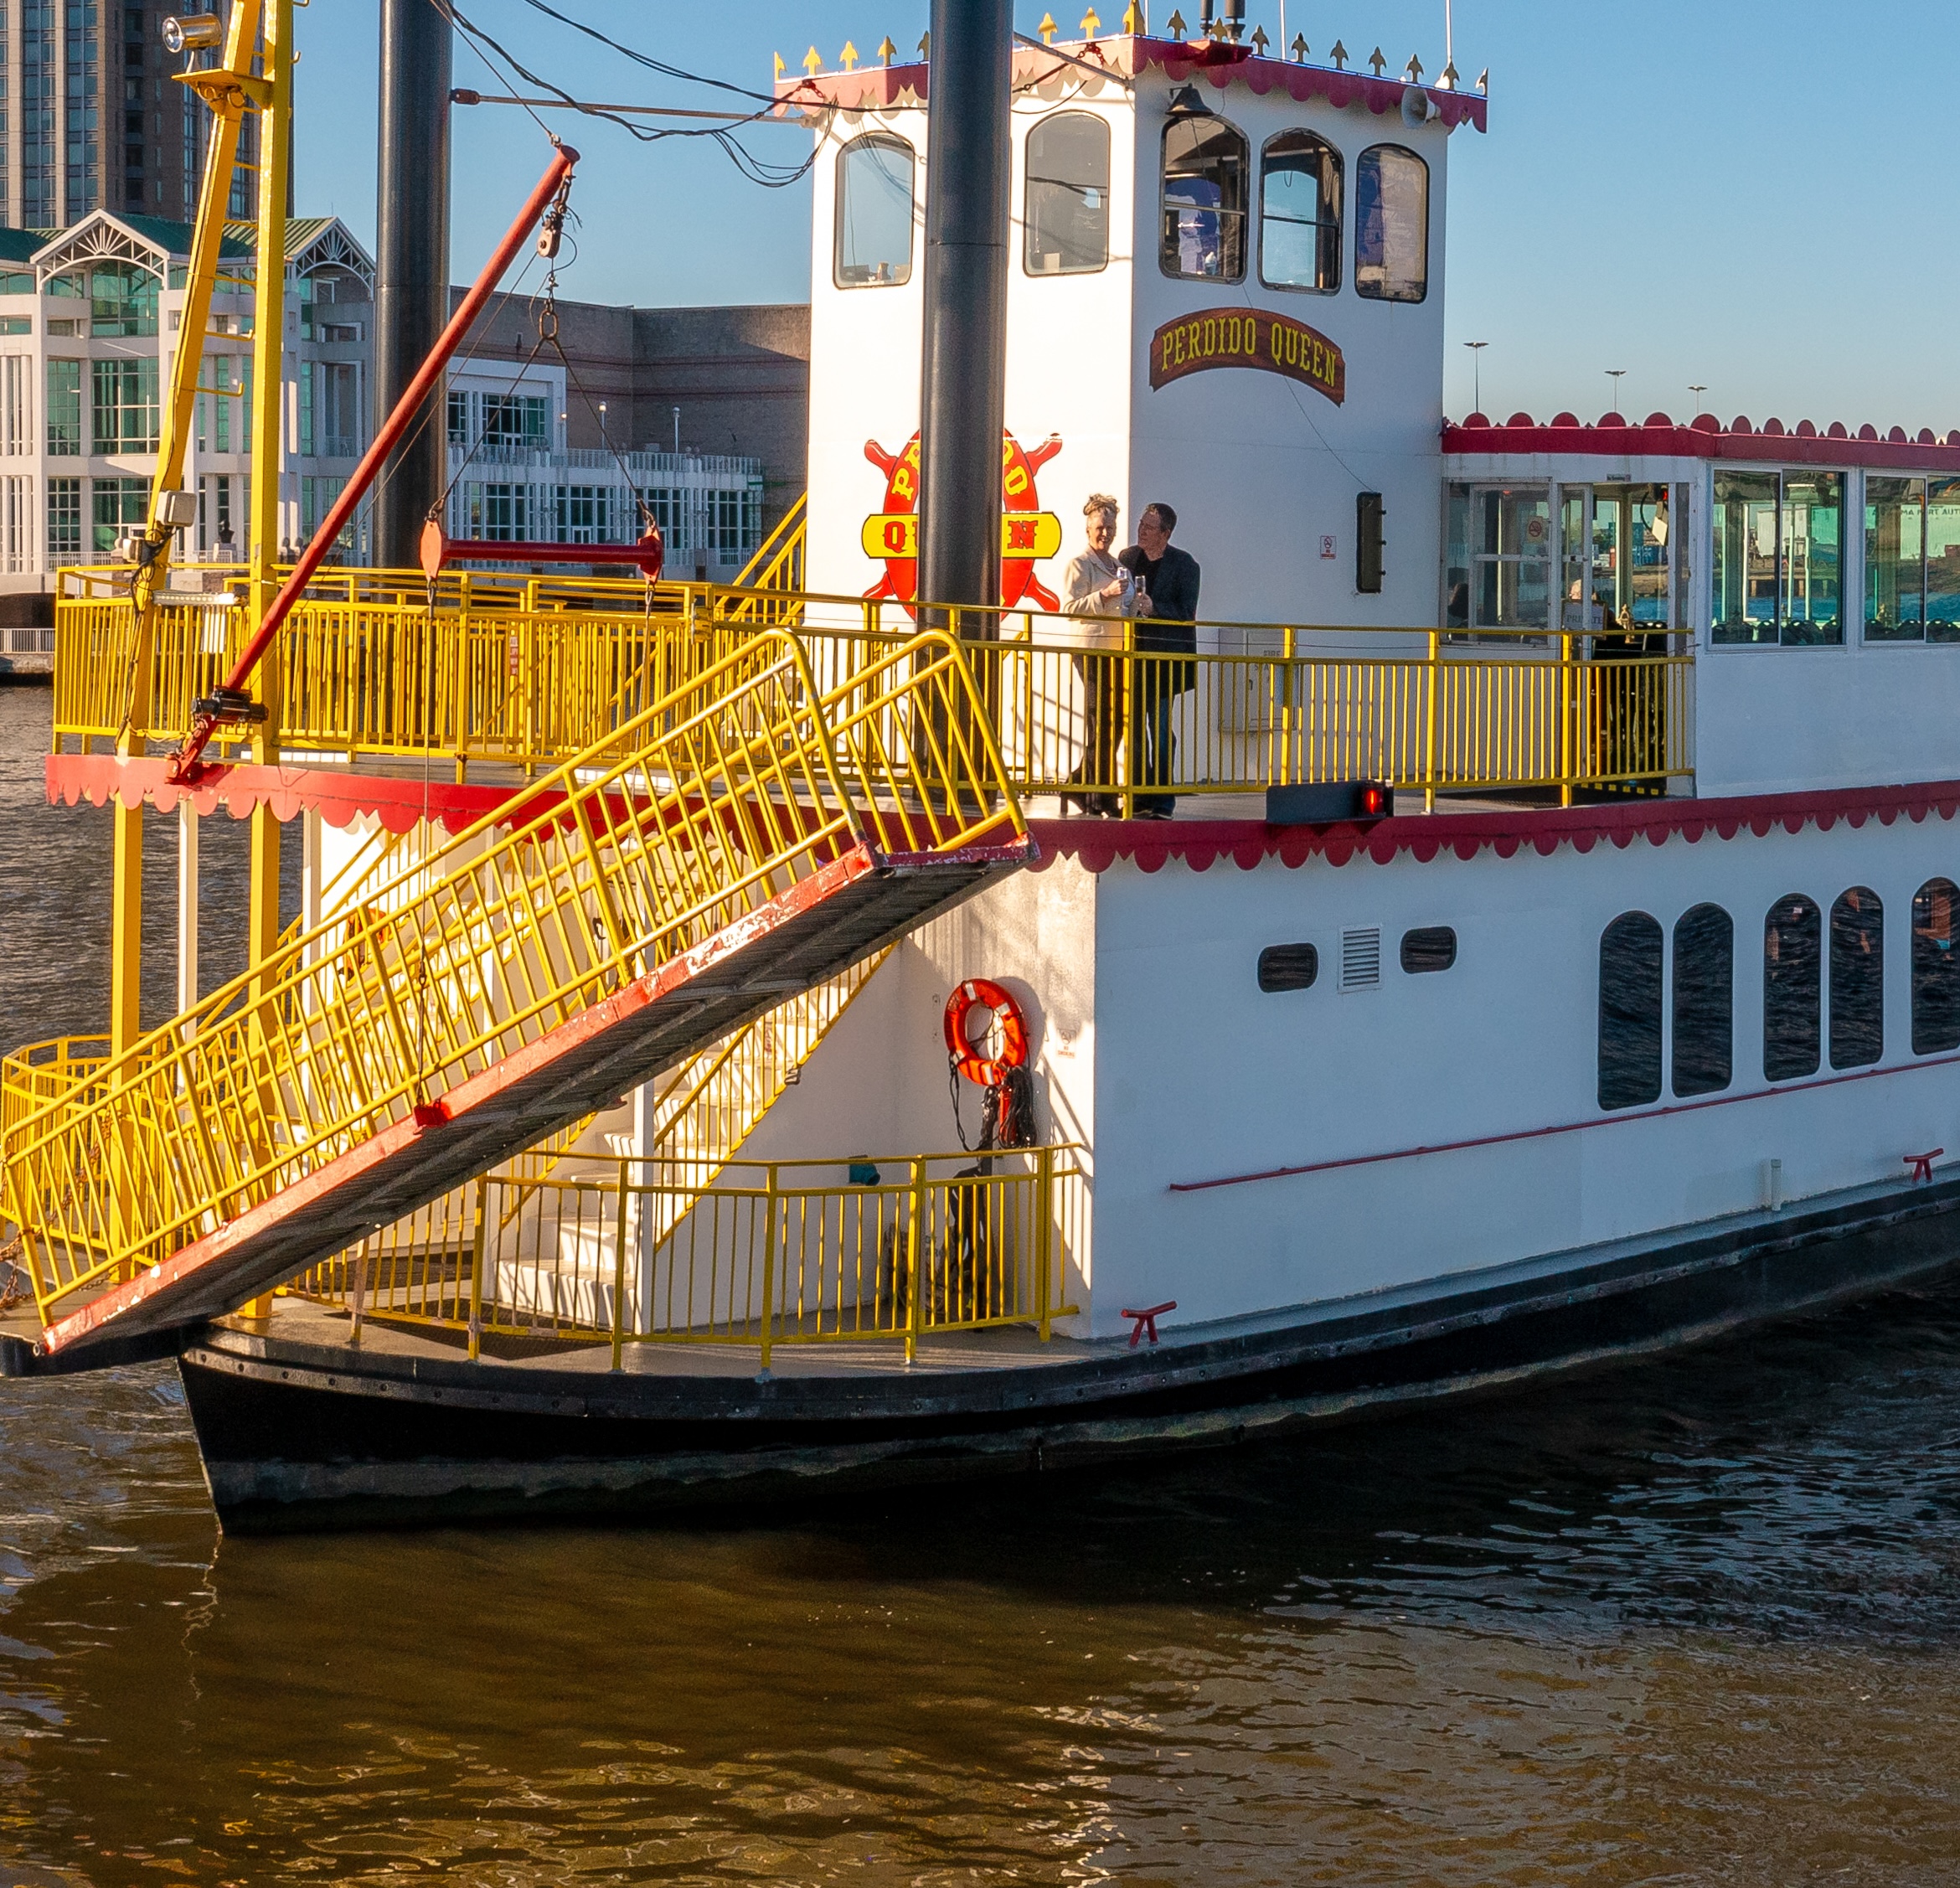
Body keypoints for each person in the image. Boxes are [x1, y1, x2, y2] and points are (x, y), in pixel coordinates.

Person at [1060, 493, 1148, 815]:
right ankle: (1099, 794)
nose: (1105, 533)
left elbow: (1123, 609)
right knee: (1101, 720)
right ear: (1088, 529)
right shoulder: (1080, 564)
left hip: (1117, 651)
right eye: (1100, 527)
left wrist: (1138, 607)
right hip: (1092, 650)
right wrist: (1104, 594)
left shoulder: (1119, 566)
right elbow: (1069, 608)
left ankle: (1082, 783)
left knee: (1115, 723)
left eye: (1110, 527)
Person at [1118, 503, 1201, 819]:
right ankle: (1140, 794)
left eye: (1149, 527)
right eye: (1141, 524)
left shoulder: (1185, 565)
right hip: (1135, 657)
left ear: (1166, 533)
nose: (1142, 531)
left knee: (1161, 726)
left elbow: (1186, 613)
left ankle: (1163, 798)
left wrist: (1155, 609)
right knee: (1135, 727)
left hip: (1165, 660)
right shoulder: (1128, 558)